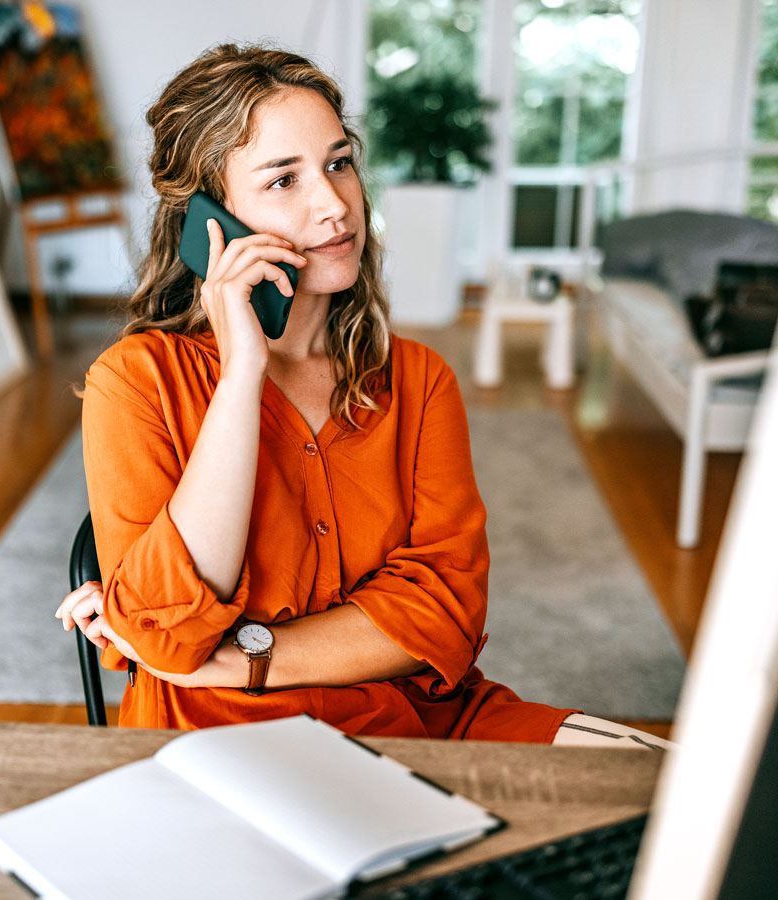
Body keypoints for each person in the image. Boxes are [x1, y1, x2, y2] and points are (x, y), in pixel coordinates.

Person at [56, 43, 667, 748]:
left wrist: (242, 656)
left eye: (338, 163)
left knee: (667, 786)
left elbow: (445, 613)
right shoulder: (136, 383)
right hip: (220, 735)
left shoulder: (419, 380)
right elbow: (166, 632)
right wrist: (242, 372)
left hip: (421, 723)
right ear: (209, 222)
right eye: (284, 180)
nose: (334, 205)